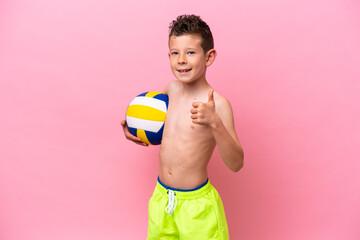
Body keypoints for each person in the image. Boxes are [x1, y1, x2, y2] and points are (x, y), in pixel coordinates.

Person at [121, 14, 244, 240]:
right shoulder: (170, 90)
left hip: (197, 208)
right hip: (162, 198)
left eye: (190, 52)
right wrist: (135, 129)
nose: (181, 60)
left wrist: (214, 122)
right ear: (169, 55)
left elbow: (236, 163)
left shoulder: (218, 104)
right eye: (175, 53)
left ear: (209, 57)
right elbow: (165, 129)